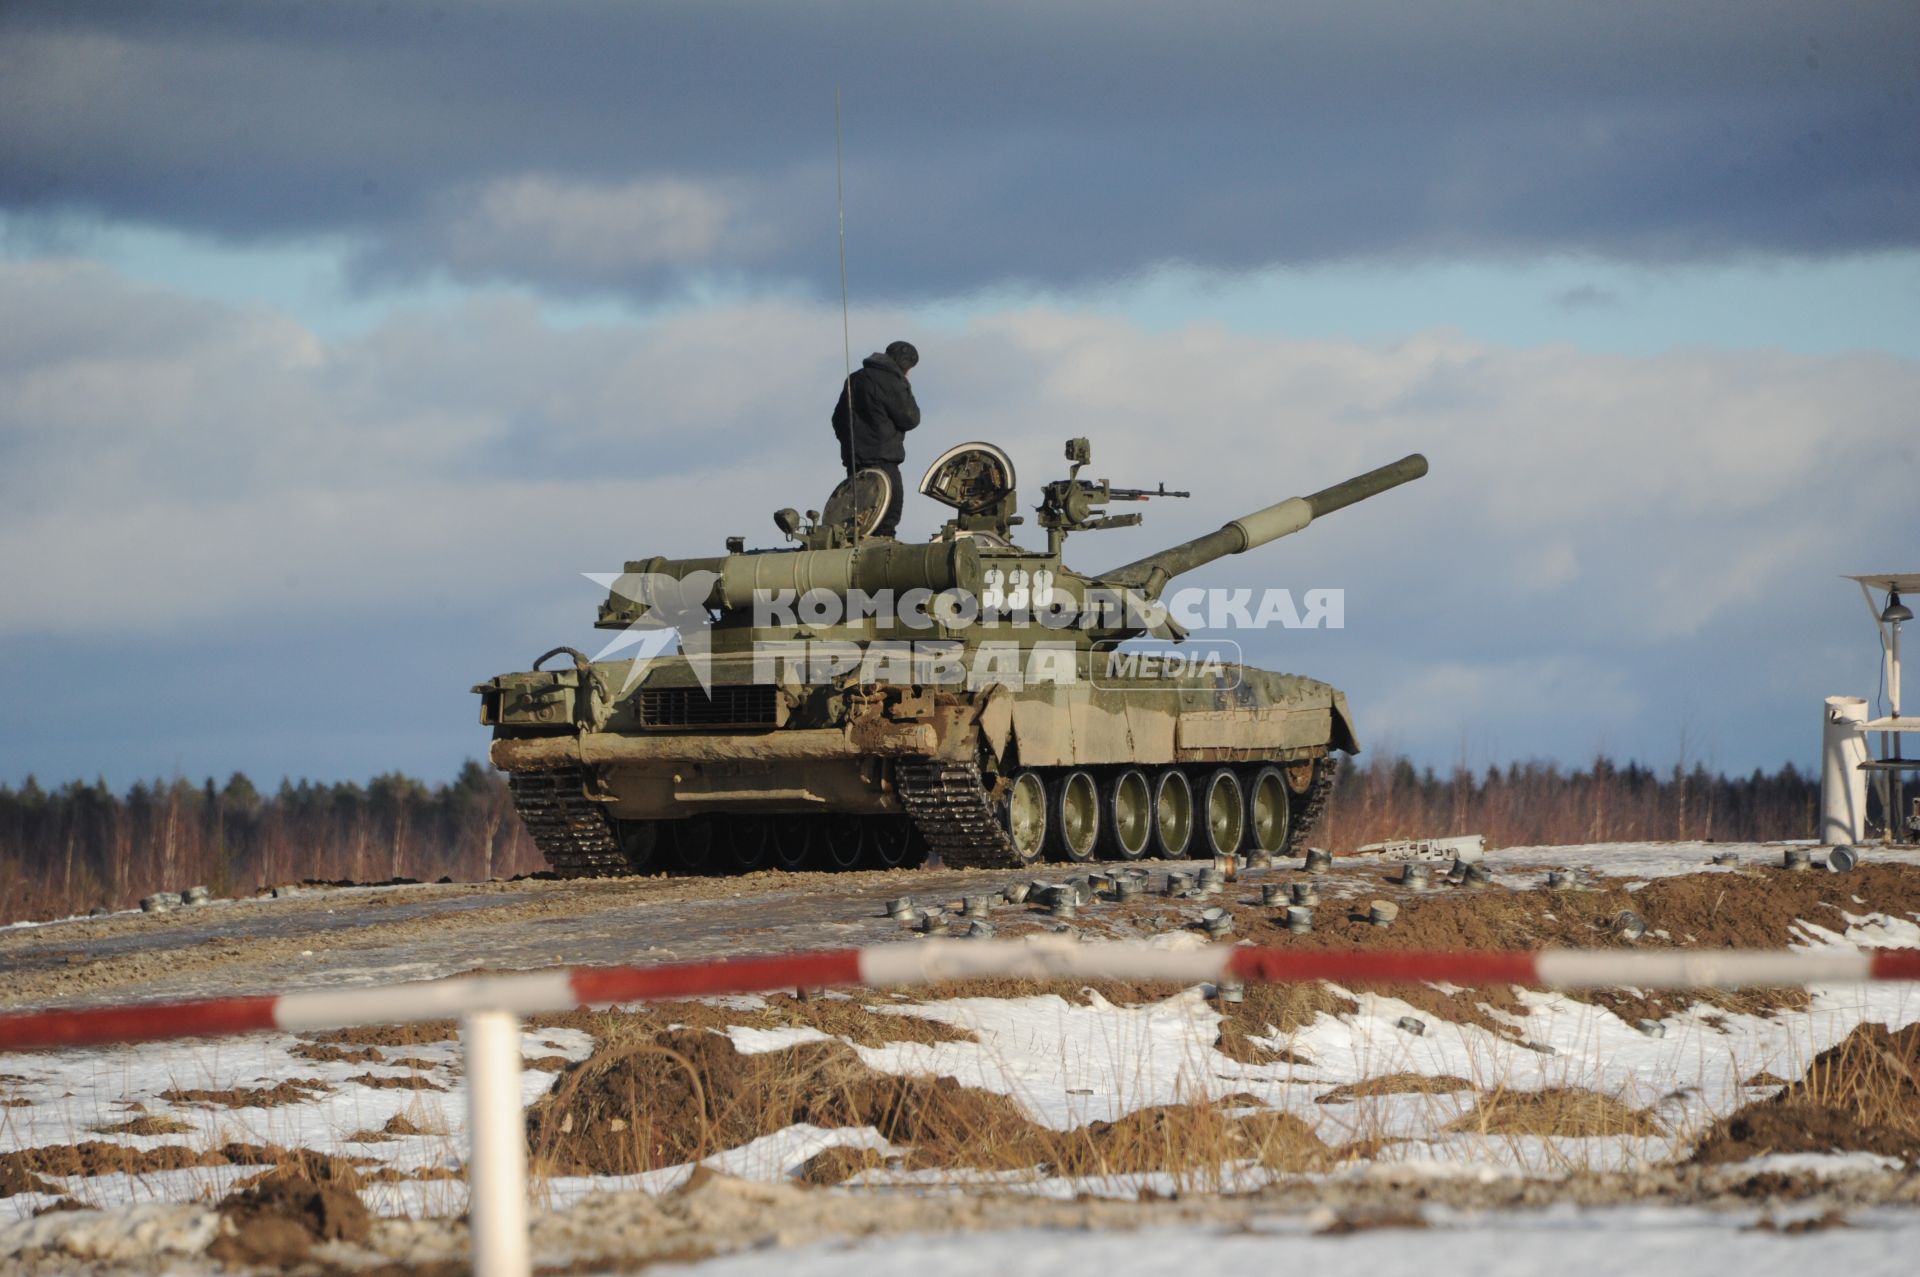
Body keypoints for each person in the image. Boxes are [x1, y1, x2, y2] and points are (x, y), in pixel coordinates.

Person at [830, 340, 920, 538]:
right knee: (888, 516)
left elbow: (838, 419)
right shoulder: (894, 381)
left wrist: (849, 444)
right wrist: (905, 385)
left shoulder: (855, 379)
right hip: (884, 460)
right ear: (906, 366)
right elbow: (910, 419)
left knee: (856, 517)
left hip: (855, 462)